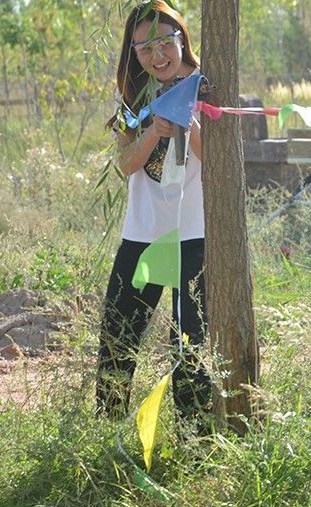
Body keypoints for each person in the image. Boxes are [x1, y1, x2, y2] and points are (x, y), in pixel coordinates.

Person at [96, 0, 211, 430]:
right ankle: (106, 427)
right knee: (118, 333)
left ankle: (194, 437)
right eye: (144, 49)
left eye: (165, 42)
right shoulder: (130, 97)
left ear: (182, 38)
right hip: (143, 232)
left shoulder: (207, 88)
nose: (157, 55)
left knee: (189, 342)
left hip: (193, 233)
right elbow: (125, 164)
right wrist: (151, 132)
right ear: (133, 54)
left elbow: (218, 163)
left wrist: (188, 121)